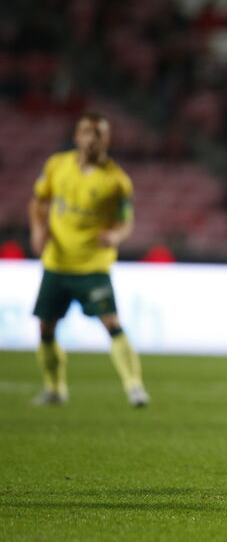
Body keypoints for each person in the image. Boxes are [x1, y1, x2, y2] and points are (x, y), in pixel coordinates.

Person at [29, 110, 149, 408]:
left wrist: (116, 237)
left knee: (111, 322)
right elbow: (39, 201)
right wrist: (38, 231)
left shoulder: (117, 180)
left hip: (93, 264)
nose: (92, 139)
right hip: (57, 262)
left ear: (107, 139)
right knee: (46, 327)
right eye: (87, 132)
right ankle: (55, 388)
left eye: (98, 133)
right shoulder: (57, 166)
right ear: (76, 136)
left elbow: (125, 220)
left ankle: (134, 387)